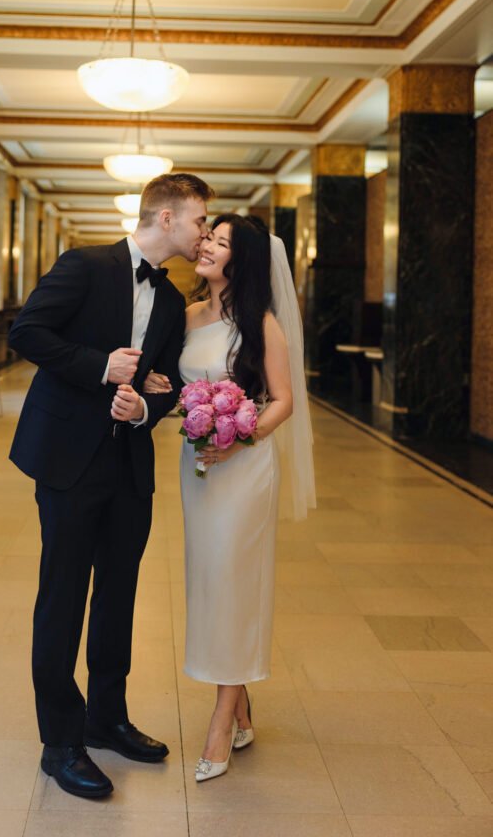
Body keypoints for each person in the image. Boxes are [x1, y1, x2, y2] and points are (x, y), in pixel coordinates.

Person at [8, 172, 214, 800]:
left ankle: (107, 716)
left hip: (128, 467)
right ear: (170, 218)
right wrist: (100, 367)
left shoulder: (175, 303)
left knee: (119, 594)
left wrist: (146, 408)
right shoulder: (85, 264)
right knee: (64, 595)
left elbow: (170, 387)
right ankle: (61, 741)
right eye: (201, 219)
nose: (205, 231)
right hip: (68, 459)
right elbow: (27, 333)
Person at [144, 214, 315, 782]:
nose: (207, 246)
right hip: (199, 468)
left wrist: (240, 438)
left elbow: (283, 400)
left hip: (243, 470)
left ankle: (222, 718)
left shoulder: (263, 324)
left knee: (236, 582)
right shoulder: (190, 315)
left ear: (241, 259)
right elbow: (173, 379)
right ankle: (241, 707)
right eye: (208, 237)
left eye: (220, 242)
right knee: (209, 579)